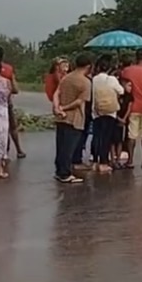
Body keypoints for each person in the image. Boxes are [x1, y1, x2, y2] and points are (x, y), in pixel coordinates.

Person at [53, 53, 93, 184]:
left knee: (60, 146)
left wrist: (57, 107)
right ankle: (65, 173)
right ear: (88, 66)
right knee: (69, 148)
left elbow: (57, 93)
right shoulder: (85, 82)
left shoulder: (66, 78)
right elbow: (80, 101)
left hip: (61, 118)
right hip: (74, 118)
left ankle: (59, 171)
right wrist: (65, 108)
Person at [0, 45, 25, 160]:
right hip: (5, 104)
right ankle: (18, 150)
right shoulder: (8, 69)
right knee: (10, 127)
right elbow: (15, 89)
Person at [90, 54, 125, 173]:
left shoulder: (94, 79)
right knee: (106, 138)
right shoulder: (112, 79)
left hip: (96, 111)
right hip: (110, 112)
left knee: (97, 136)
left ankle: (95, 160)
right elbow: (121, 91)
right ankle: (104, 162)